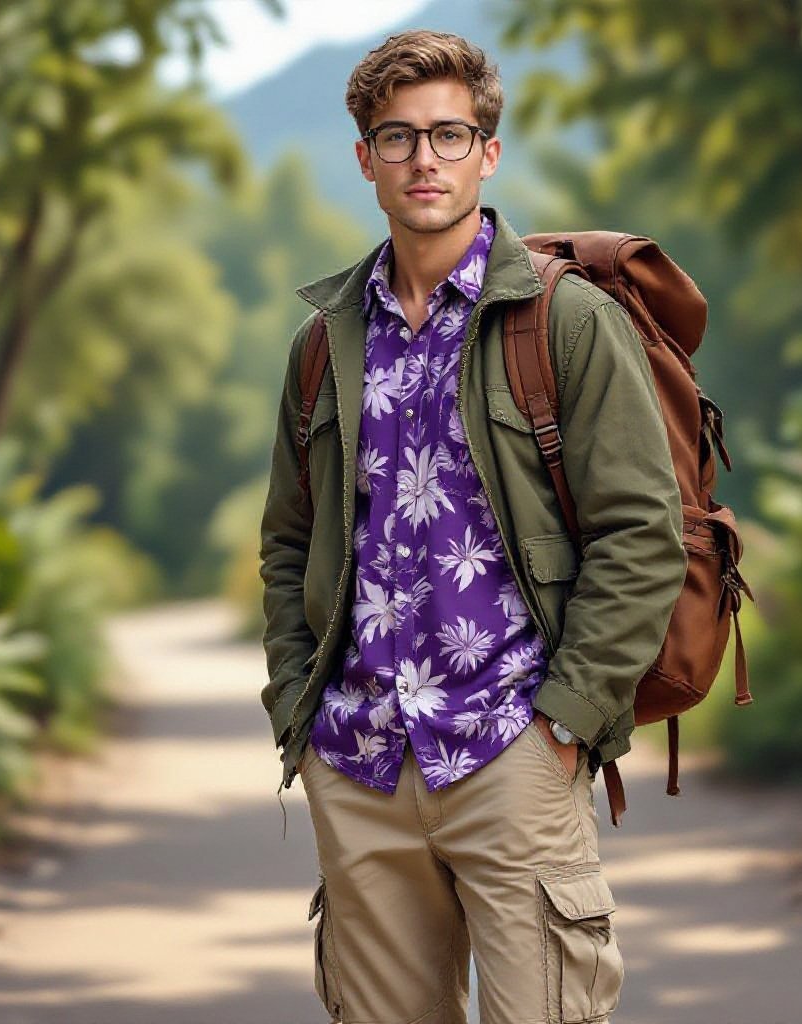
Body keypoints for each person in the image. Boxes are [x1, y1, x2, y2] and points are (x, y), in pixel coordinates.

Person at [258, 28, 687, 1024]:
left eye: (449, 136)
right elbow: (289, 538)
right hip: (358, 758)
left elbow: (640, 531)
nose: (423, 160)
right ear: (364, 159)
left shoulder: (565, 321)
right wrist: (299, 709)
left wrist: (567, 719)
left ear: (487, 154)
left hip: (511, 749)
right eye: (397, 138)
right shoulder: (324, 343)